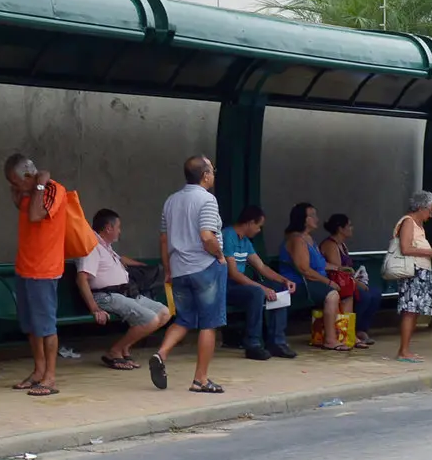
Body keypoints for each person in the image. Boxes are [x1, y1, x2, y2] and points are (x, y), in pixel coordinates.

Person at [153, 155, 225, 392]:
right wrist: (220, 256)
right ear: (205, 176)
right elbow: (207, 236)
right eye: (212, 170)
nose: (213, 174)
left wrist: (168, 269)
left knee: (184, 319)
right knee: (209, 323)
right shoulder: (207, 199)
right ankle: (200, 380)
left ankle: (161, 354)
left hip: (179, 270)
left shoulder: (171, 201)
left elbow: (164, 240)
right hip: (205, 267)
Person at [74, 207, 171, 370]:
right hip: (106, 296)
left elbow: (122, 260)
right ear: (108, 228)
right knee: (150, 319)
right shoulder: (91, 247)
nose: (120, 231)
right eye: (118, 227)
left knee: (164, 313)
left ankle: (124, 348)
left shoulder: (105, 245)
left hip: (125, 293)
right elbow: (81, 278)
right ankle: (114, 351)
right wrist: (95, 308)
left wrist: (143, 266)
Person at [4, 153, 68, 397]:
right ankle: (38, 370)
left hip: (45, 269)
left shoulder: (53, 189)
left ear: (29, 176)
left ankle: (50, 376)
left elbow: (35, 215)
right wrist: (22, 192)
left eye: (16, 182)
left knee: (46, 326)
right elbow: (24, 210)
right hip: (25, 267)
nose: (15, 188)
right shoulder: (28, 193)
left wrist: (40, 185)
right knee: (31, 325)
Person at [222, 205, 298, 360]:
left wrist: (284, 280)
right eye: (258, 226)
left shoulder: (245, 241)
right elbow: (233, 273)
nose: (258, 230)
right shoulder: (228, 235)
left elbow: (262, 267)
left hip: (240, 285)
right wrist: (263, 288)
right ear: (250, 222)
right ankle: (253, 344)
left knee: (280, 289)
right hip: (225, 286)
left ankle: (277, 342)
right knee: (256, 292)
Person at [388, 190, 432, 363]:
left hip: (420, 271)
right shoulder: (408, 222)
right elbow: (406, 248)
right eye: (430, 210)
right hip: (413, 272)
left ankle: (406, 349)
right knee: (410, 310)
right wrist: (429, 252)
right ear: (421, 208)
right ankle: (403, 350)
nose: (431, 214)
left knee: (414, 311)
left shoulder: (417, 224)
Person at [278, 202, 346, 351]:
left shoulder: (309, 238)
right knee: (332, 294)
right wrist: (328, 282)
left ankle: (346, 334)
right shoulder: (297, 239)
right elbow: (305, 270)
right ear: (303, 219)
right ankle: (330, 340)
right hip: (299, 284)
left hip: (313, 282)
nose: (317, 219)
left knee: (348, 290)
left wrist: (340, 269)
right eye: (312, 215)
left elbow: (319, 264)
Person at [318, 213, 383, 349]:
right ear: (340, 229)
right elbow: (340, 272)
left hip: (348, 282)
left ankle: (361, 329)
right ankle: (350, 331)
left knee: (375, 293)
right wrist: (358, 283)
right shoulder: (331, 245)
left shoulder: (342, 245)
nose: (352, 228)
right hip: (336, 283)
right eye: (349, 225)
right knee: (364, 296)